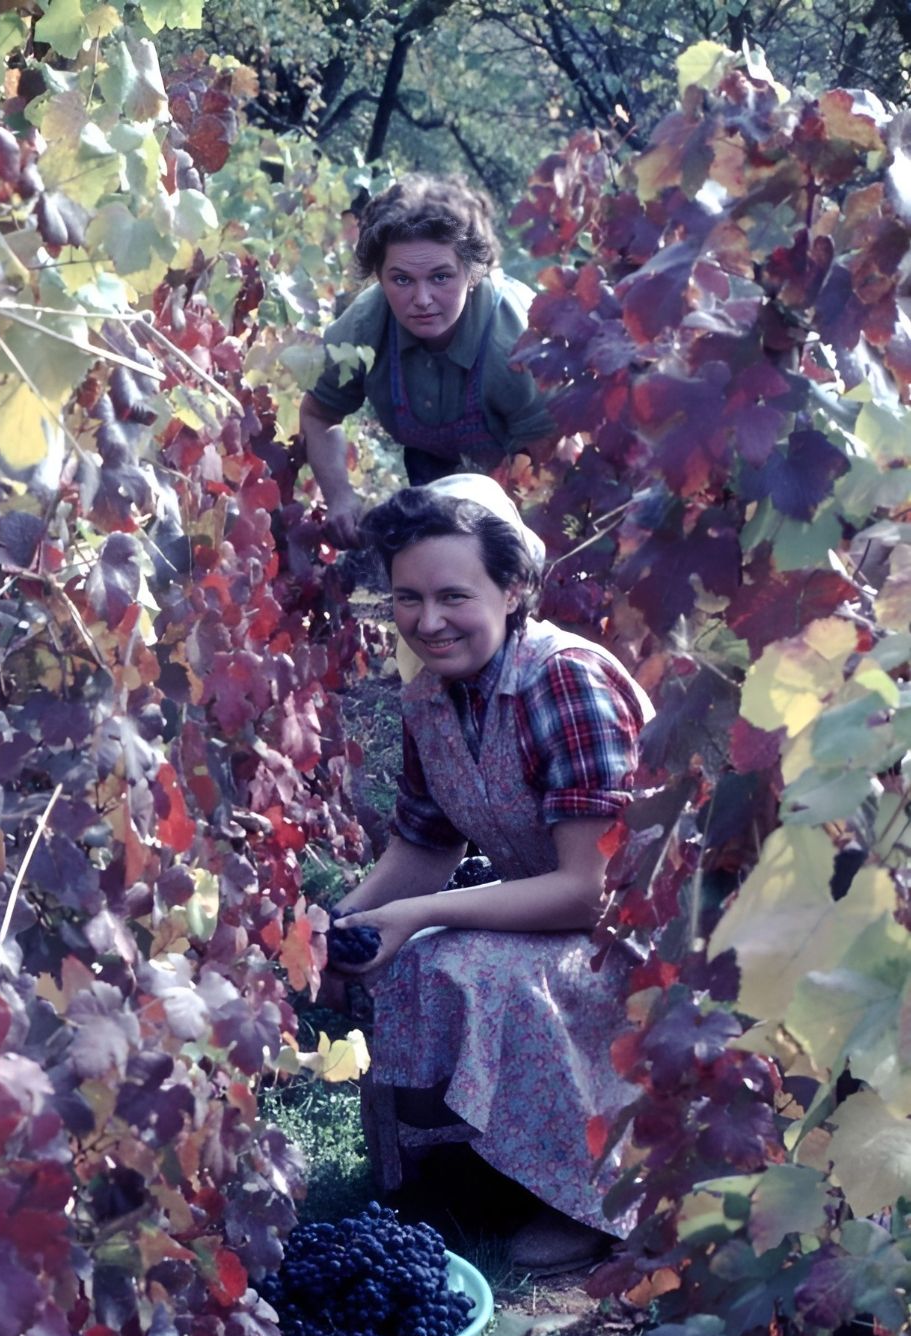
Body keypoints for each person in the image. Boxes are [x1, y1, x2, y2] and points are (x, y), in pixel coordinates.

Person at [333, 478, 652, 1275]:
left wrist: (420, 915)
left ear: (512, 590)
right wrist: (339, 923)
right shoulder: (431, 697)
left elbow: (591, 890)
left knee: (459, 961)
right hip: (555, 918)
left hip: (648, 943)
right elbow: (424, 844)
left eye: (452, 595)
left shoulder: (562, 681)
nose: (427, 621)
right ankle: (472, 1165)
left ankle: (589, 1197)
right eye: (407, 597)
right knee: (404, 953)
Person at [300, 175, 554, 545]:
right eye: (401, 280)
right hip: (430, 466)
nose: (421, 299)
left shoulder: (516, 342)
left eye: (440, 277)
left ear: (473, 272)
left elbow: (546, 462)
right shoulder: (363, 327)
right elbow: (319, 414)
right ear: (379, 277)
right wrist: (339, 495)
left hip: (522, 479)